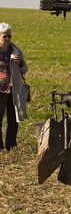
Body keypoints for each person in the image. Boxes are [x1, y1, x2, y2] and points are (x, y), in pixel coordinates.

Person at [0, 22, 29, 150]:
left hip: (13, 89)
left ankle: (11, 146)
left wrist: (20, 62)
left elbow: (24, 70)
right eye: (4, 36)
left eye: (9, 36)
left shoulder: (16, 50)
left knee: (13, 120)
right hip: (0, 90)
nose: (7, 39)